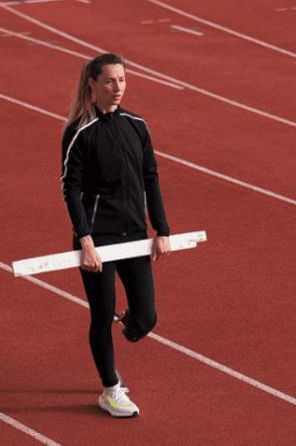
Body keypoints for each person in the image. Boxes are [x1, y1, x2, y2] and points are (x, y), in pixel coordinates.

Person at [60, 53, 171, 417]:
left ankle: (122, 328)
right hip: (99, 240)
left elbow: (151, 178)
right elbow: (70, 189)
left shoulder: (137, 125)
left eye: (122, 80)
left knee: (146, 317)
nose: (118, 87)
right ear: (93, 84)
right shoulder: (79, 132)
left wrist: (162, 229)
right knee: (101, 312)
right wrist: (86, 240)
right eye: (110, 81)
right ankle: (110, 388)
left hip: (135, 235)